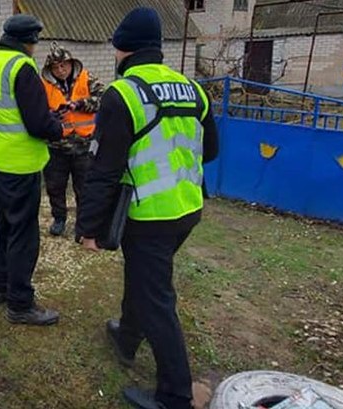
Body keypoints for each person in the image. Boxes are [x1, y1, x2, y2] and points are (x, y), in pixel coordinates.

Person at [76, 8, 219, 409]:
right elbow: (210, 150)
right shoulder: (194, 89)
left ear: (123, 48)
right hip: (187, 209)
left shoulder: (122, 94)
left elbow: (104, 169)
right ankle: (126, 337)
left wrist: (88, 228)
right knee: (144, 279)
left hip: (148, 217)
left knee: (156, 299)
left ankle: (175, 395)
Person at [0, 14, 63, 326]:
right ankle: (20, 304)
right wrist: (58, 128)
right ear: (30, 41)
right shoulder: (22, 67)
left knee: (2, 228)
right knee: (23, 235)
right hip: (21, 164)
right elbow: (38, 123)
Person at [40, 42, 105, 237]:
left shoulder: (87, 78)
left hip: (83, 145)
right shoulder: (43, 85)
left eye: (64, 65)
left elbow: (104, 99)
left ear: (71, 64)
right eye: (56, 67)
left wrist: (81, 104)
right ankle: (59, 218)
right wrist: (50, 115)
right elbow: (36, 109)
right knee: (55, 186)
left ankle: (83, 224)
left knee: (84, 187)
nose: (61, 70)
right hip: (56, 146)